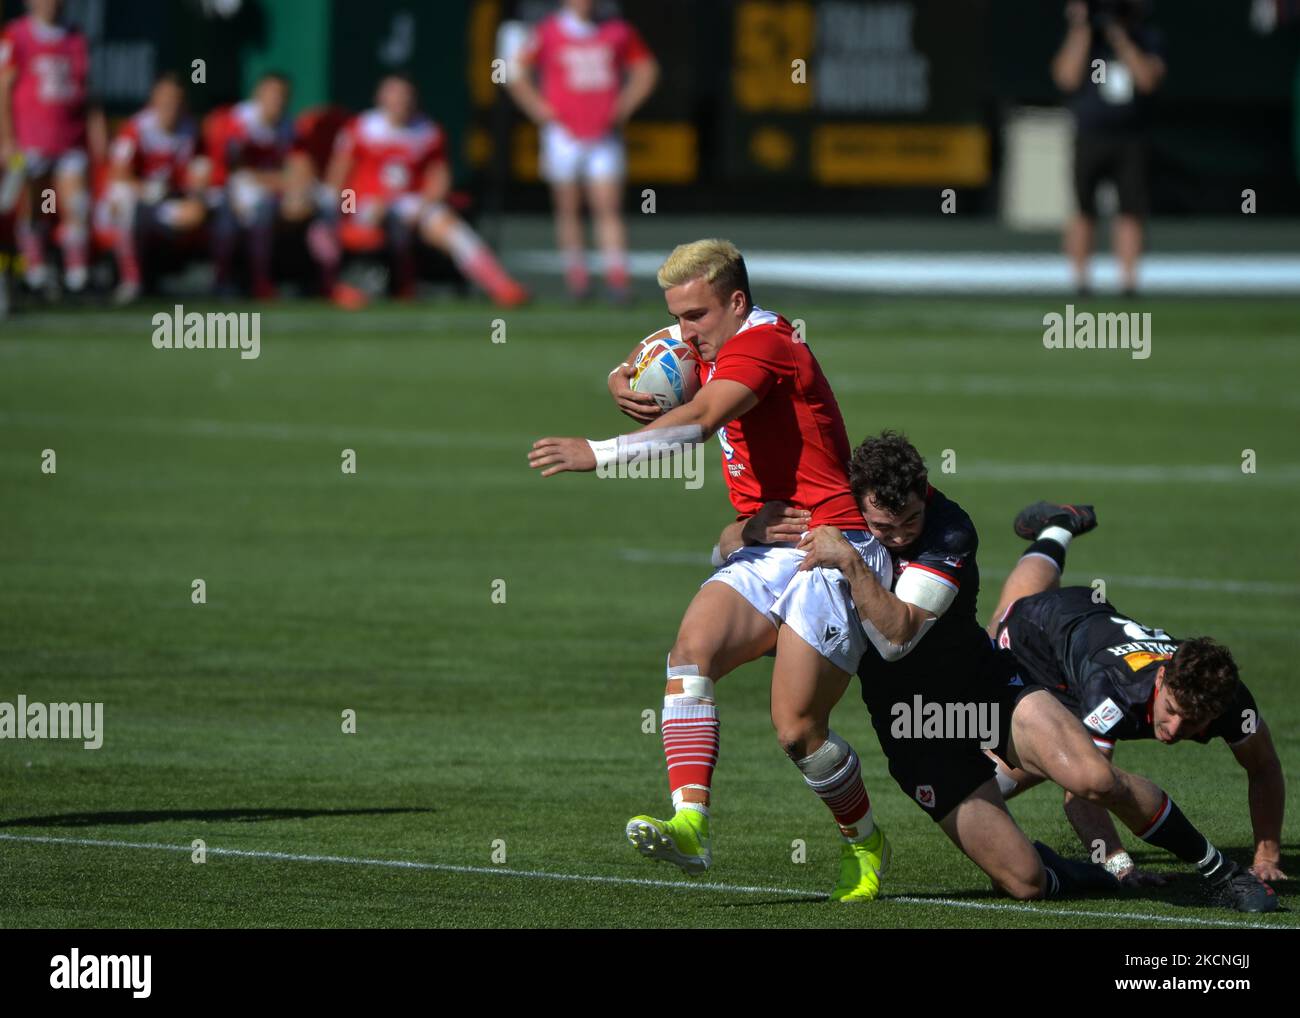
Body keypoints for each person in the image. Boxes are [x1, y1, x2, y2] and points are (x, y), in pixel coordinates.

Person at [530, 239, 895, 901]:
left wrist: (598, 452)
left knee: (796, 730)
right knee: (689, 653)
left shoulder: (764, 345)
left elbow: (698, 419)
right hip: (767, 544)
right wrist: (621, 376)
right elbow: (655, 350)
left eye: (696, 316)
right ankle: (691, 824)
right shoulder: (707, 330)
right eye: (678, 315)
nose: (685, 331)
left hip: (833, 547)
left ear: (735, 301)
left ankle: (864, 839)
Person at [788, 437, 1277, 912]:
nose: (897, 536)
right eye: (882, 527)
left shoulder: (949, 529)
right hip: (915, 726)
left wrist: (851, 562)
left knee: (1094, 777)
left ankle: (1219, 872)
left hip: (985, 687)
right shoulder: (838, 523)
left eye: (909, 520)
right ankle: (1085, 872)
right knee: (1024, 883)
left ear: (926, 493)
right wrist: (748, 534)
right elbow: (742, 556)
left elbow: (897, 636)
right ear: (857, 507)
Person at [985, 501, 1288, 886]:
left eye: (1194, 721)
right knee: (1007, 623)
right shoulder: (1113, 694)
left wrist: (1267, 855)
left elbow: (1263, 769)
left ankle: (1056, 528)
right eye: (1173, 710)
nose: (1176, 728)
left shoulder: (1225, 696)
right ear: (1161, 680)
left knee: (1051, 753)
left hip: (1091, 621)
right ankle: (1057, 528)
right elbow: (1082, 792)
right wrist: (1120, 868)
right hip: (1038, 637)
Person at [323, 74, 528, 308]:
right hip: (363, 203)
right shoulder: (360, 128)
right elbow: (337, 178)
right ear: (380, 98)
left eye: (406, 96)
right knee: (364, 223)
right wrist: (348, 210)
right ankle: (348, 286)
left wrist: (424, 206)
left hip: (409, 202)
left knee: (448, 225)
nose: (401, 101)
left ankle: (501, 286)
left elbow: (439, 179)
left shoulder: (428, 131)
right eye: (395, 95)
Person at [507, 0, 657, 303]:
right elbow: (517, 72)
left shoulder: (617, 31)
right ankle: (577, 280)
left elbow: (647, 69)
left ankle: (617, 279)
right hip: (563, 133)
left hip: (603, 133)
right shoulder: (547, 32)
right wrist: (539, 109)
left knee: (608, 206)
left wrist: (624, 105)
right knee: (568, 206)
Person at [1052, 0, 1165, 295]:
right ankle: (1080, 281)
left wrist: (1121, 38)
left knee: (1130, 209)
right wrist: (1081, 29)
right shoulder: (1086, 40)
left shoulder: (1146, 38)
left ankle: (1128, 282)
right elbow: (1065, 77)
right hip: (1090, 135)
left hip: (1130, 137)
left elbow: (1148, 80)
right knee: (1083, 209)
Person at [0, 0, 95, 295]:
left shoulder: (75, 37)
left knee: (75, 202)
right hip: (30, 140)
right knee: (36, 203)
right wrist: (7, 138)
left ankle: (77, 273)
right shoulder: (16, 35)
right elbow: (4, 87)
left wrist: (96, 131)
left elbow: (87, 90)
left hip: (69, 138)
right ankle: (35, 267)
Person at [97, 72, 208, 305]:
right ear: (154, 100)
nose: (171, 106)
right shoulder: (136, 128)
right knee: (122, 199)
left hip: (165, 204)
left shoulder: (191, 130)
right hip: (130, 201)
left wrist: (196, 191)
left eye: (176, 100)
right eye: (165, 99)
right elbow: (117, 173)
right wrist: (146, 189)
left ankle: (215, 280)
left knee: (199, 211)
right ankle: (131, 280)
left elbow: (198, 172)